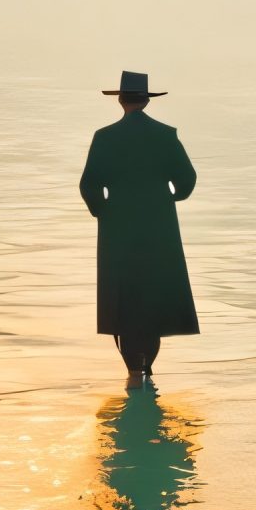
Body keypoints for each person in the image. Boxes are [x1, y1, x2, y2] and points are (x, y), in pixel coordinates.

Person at [79, 71, 199, 385]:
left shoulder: (104, 137)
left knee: (122, 298)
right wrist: (170, 198)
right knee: (154, 296)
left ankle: (133, 371)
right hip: (159, 224)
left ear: (120, 100)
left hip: (118, 226)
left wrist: (103, 212)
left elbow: (89, 185)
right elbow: (187, 180)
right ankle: (146, 367)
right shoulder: (166, 135)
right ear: (146, 100)